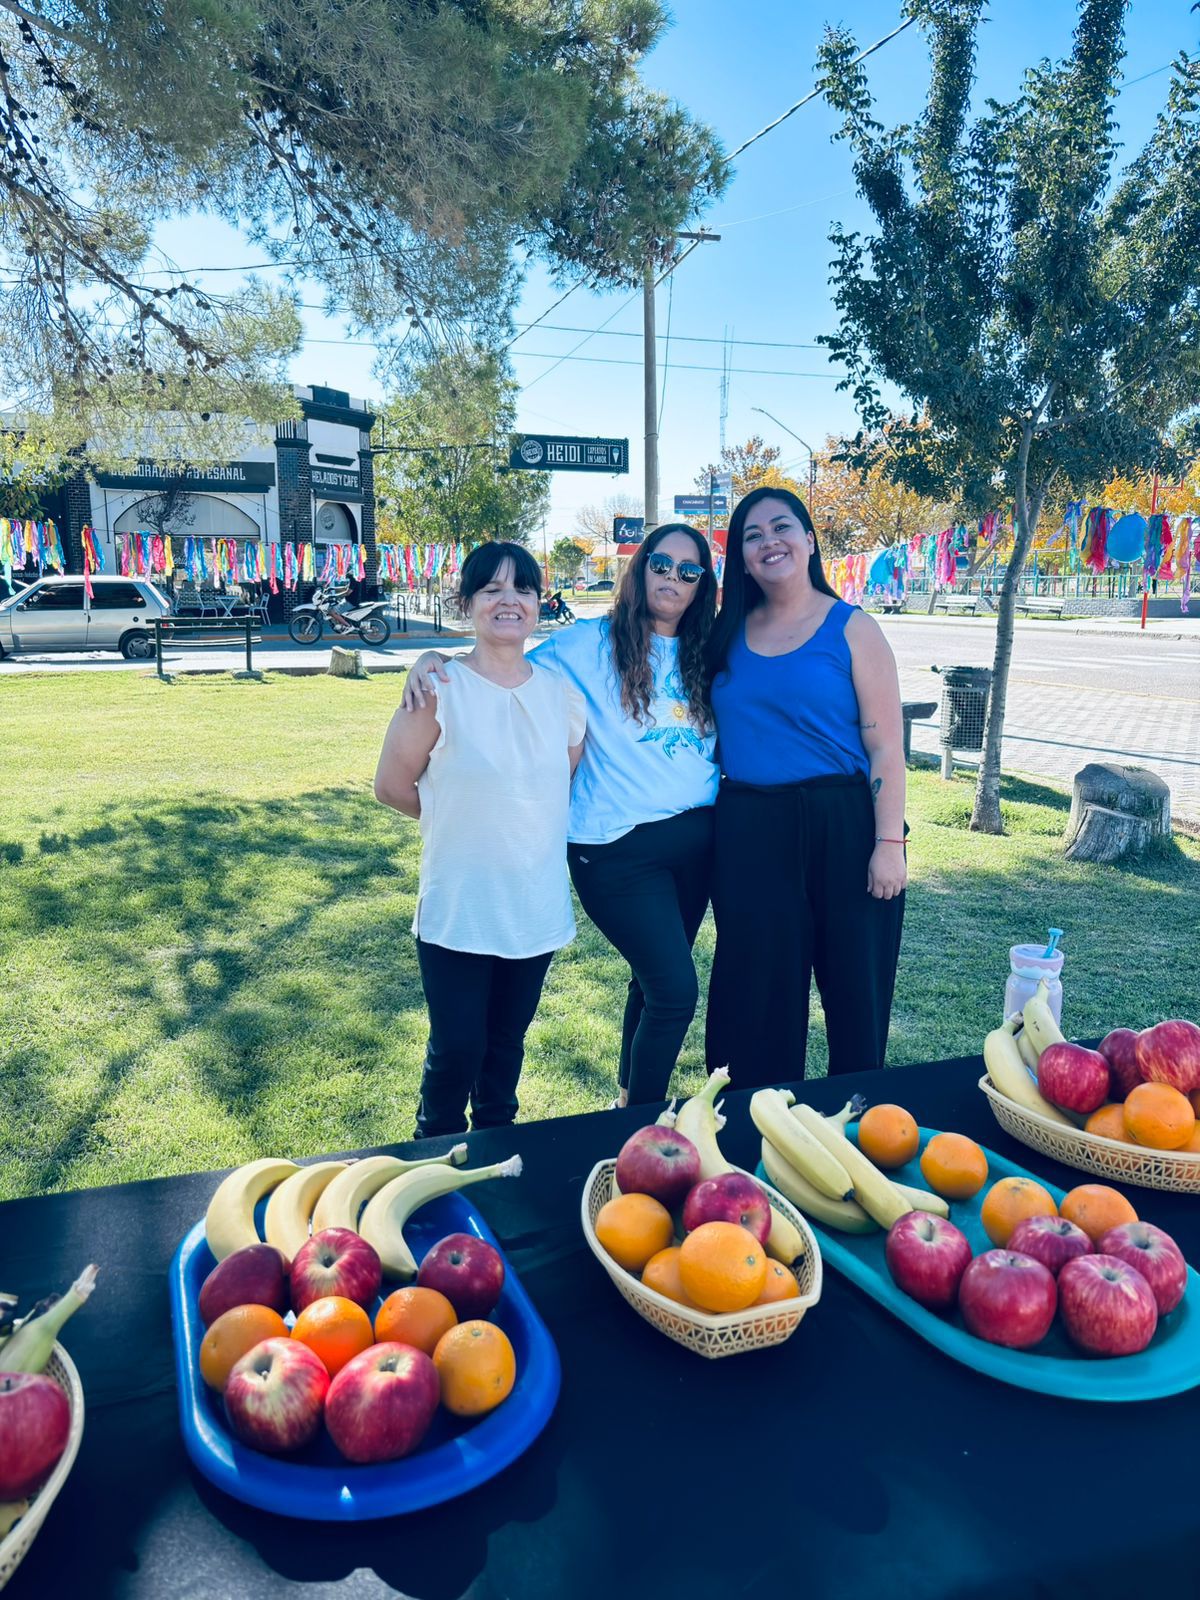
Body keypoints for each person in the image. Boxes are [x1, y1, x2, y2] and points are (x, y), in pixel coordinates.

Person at [403, 525, 718, 1108]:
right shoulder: (586, 644)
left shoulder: (712, 646)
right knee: (675, 992)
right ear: (640, 567)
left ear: (703, 585)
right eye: (661, 564)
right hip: (618, 844)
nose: (673, 577)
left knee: (650, 985)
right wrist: (433, 658)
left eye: (689, 571)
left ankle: (626, 1100)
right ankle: (640, 1128)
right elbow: (498, 658)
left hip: (698, 843)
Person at [374, 541, 585, 1138]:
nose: (509, 600)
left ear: (539, 603)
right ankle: (432, 1151)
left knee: (504, 1047)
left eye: (522, 588)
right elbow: (391, 787)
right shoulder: (438, 688)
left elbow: (554, 785)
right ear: (467, 602)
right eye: (492, 589)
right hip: (461, 903)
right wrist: (456, 814)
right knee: (458, 1047)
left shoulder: (561, 695)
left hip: (533, 902)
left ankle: (497, 1146)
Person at [704, 486, 907, 1084]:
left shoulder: (853, 628)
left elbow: (885, 747)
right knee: (755, 998)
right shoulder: (724, 634)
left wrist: (888, 843)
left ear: (810, 539)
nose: (770, 542)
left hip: (844, 823)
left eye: (781, 527)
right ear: (740, 558)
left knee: (854, 994)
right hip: (749, 828)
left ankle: (858, 1128)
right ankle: (752, 1126)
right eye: (752, 535)